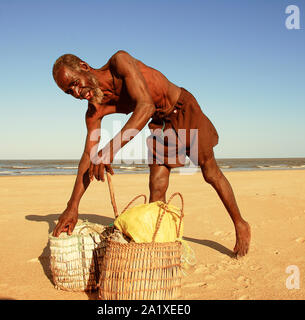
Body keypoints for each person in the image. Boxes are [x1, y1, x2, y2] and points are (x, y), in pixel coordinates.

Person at [51, 50, 251, 257]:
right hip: (160, 121)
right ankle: (159, 247)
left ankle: (240, 224)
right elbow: (88, 155)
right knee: (156, 186)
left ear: (84, 67)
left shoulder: (119, 63)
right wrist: (72, 206)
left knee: (210, 172)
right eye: (69, 91)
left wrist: (109, 150)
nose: (76, 92)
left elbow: (145, 106)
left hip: (181, 107)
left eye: (75, 83)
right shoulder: (95, 110)